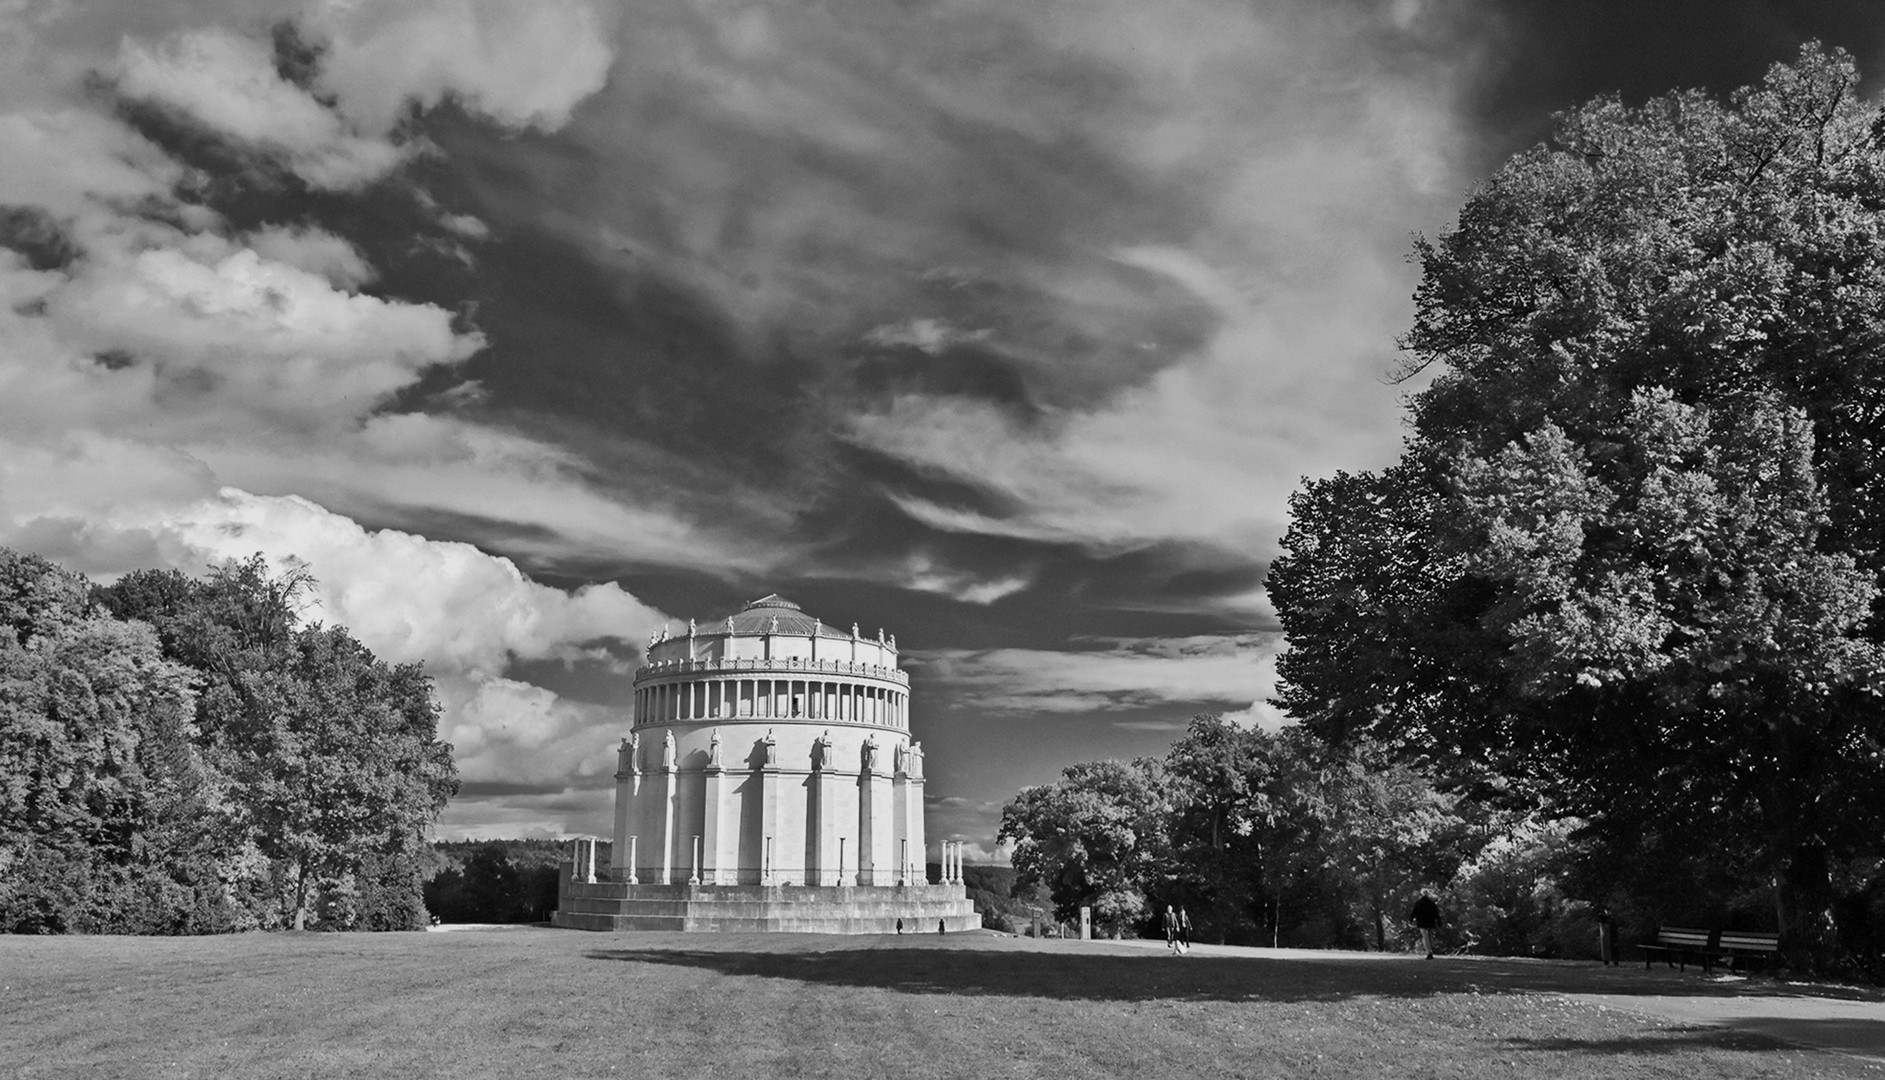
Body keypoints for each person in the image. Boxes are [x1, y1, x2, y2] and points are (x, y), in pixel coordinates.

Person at [1409, 891, 1441, 959]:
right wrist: (1439, 921)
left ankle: (1429, 952)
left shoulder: (1418, 903)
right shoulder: (1432, 903)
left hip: (1422, 922)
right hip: (1430, 922)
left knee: (1425, 936)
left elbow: (1414, 911)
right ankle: (1430, 950)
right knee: (1430, 936)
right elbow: (1436, 913)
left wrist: (1411, 920)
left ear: (1421, 894)